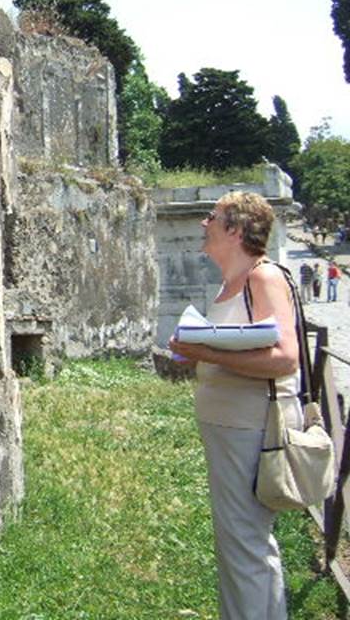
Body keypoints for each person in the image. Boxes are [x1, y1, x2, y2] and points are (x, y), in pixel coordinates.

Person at [169, 192, 301, 620]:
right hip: (231, 428)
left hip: (250, 428)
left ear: (235, 230)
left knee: (244, 544)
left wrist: (209, 353)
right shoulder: (234, 282)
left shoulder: (263, 278)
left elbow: (286, 357)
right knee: (239, 543)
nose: (203, 223)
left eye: (212, 216)